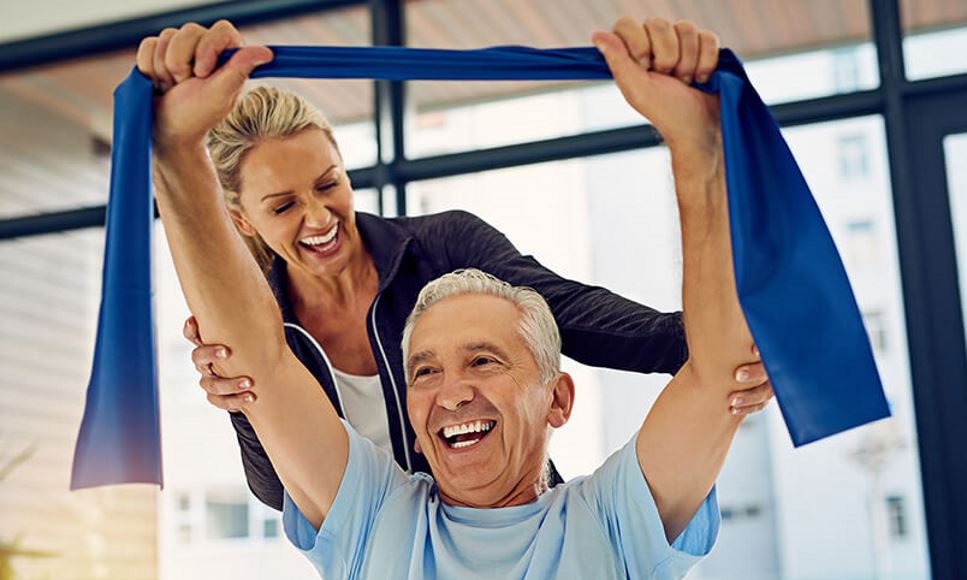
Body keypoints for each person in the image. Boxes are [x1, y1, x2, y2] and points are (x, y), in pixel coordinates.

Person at [149, 12, 765, 578]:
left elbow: (700, 367)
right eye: (422, 371)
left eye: (483, 360)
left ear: (558, 398)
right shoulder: (374, 518)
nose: (451, 393)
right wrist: (175, 152)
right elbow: (262, 369)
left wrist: (699, 145)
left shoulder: (609, 522)